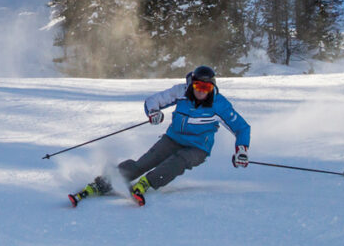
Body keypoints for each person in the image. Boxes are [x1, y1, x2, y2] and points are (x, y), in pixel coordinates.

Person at [68, 65, 250, 207]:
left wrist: (241, 150)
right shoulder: (181, 92)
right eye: (198, 85)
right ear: (191, 84)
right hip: (173, 138)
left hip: (198, 147)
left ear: (212, 87)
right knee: (144, 163)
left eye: (206, 87)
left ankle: (146, 183)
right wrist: (153, 112)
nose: (201, 91)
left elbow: (242, 128)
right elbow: (153, 101)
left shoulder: (219, 105)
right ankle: (104, 183)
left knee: (178, 162)